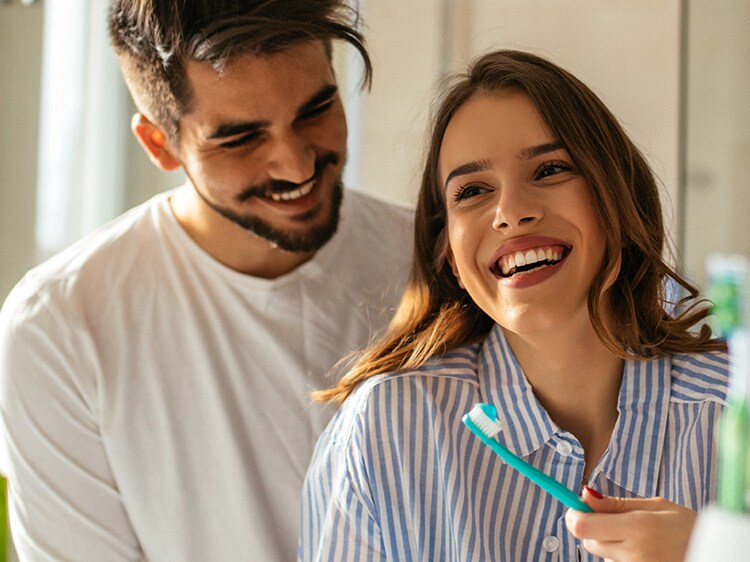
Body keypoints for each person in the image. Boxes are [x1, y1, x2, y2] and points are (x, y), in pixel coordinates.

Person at [0, 1, 413, 561]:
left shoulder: (440, 262)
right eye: (240, 139)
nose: (295, 165)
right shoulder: (60, 325)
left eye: (316, 109)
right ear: (159, 144)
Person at [299, 49, 729, 562]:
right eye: (473, 191)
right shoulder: (385, 429)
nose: (511, 212)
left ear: (616, 198)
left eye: (549, 170)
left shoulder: (733, 415)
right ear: (451, 257)